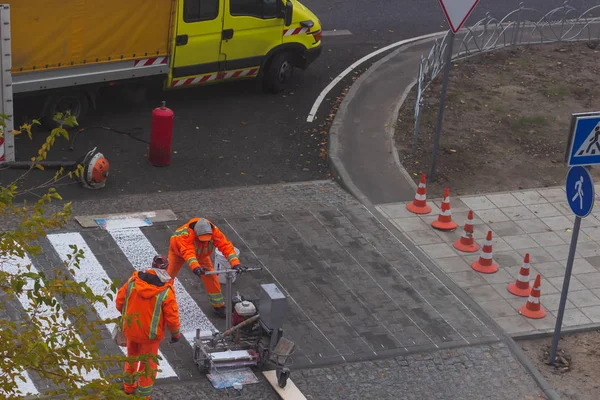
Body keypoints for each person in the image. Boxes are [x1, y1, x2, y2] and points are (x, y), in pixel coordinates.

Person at [116, 255, 181, 399]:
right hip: (150, 336)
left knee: (131, 358)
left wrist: (126, 317)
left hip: (131, 330)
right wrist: (175, 334)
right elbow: (172, 317)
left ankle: (128, 388)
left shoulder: (133, 281)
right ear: (165, 269)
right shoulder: (166, 291)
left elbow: (119, 301)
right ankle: (144, 396)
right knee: (148, 366)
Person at [167, 217, 242, 317]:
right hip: (177, 253)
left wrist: (235, 263)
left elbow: (225, 246)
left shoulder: (214, 231)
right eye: (202, 240)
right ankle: (162, 303)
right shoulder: (185, 235)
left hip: (202, 255)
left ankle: (218, 306)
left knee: (211, 278)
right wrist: (196, 267)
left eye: (207, 240)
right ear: (196, 233)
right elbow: (188, 253)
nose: (204, 242)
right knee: (167, 277)